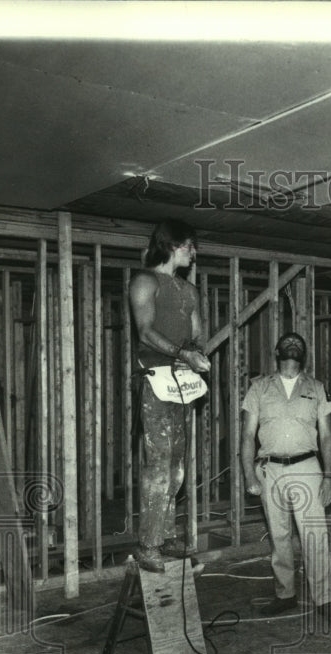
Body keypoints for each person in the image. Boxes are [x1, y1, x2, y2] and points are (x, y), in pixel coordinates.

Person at [129, 219, 211, 573]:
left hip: (180, 380)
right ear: (172, 245)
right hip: (155, 380)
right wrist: (182, 353)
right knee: (159, 462)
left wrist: (195, 353)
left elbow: (196, 335)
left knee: (176, 465)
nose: (193, 253)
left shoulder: (189, 291)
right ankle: (148, 545)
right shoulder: (145, 281)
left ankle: (165, 535)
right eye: (189, 246)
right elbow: (145, 332)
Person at [240, 332, 331, 624]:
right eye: (287, 341)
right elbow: (247, 435)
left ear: (303, 353)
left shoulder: (316, 388)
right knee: (279, 536)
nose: (293, 343)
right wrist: (249, 474)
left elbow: (327, 436)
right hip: (269, 470)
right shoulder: (259, 387)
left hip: (307, 467)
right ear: (276, 351)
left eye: (298, 342)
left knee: (315, 535)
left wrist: (329, 477)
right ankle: (285, 595)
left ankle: (325, 598)